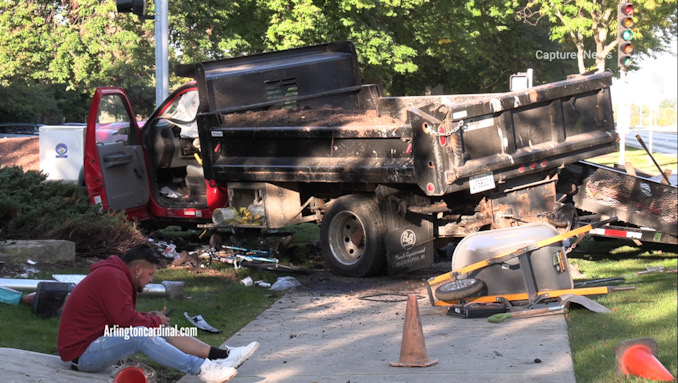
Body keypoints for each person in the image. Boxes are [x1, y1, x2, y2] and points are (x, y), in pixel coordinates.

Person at [57, 243, 258, 383]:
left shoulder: (115, 275)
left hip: (94, 342)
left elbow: (117, 317)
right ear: (137, 270)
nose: (151, 279)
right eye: (150, 274)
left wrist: (152, 319)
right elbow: (123, 319)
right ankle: (203, 369)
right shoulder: (113, 277)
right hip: (81, 355)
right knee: (142, 336)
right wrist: (151, 320)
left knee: (156, 327)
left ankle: (221, 356)